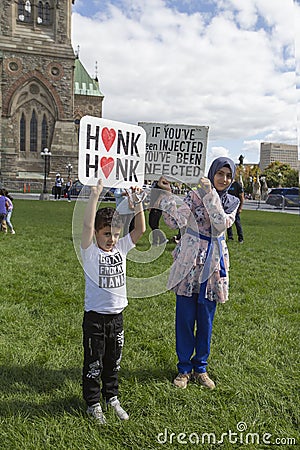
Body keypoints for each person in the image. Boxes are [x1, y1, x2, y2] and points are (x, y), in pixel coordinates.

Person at [157, 157, 240, 390]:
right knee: (184, 315)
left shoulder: (232, 202)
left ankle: (200, 367)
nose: (223, 179)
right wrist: (168, 194)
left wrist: (210, 195)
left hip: (212, 262)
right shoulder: (193, 196)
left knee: (205, 317)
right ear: (212, 173)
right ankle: (183, 369)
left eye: (228, 175)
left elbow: (220, 224)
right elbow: (175, 221)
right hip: (189, 260)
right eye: (220, 173)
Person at [81, 179, 146, 424]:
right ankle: (93, 403)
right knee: (93, 363)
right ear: (97, 234)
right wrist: (95, 195)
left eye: (116, 234)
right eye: (107, 234)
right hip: (95, 319)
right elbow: (87, 224)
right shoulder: (90, 251)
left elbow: (140, 230)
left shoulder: (122, 248)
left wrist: (138, 203)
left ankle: (112, 397)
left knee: (113, 362)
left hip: (117, 319)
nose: (112, 239)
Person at [148, 180, 168, 246]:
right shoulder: (155, 182)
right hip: (153, 204)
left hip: (157, 206)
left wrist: (157, 202)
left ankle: (161, 239)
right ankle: (157, 241)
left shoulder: (161, 183)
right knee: (152, 223)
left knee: (153, 224)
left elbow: (163, 193)